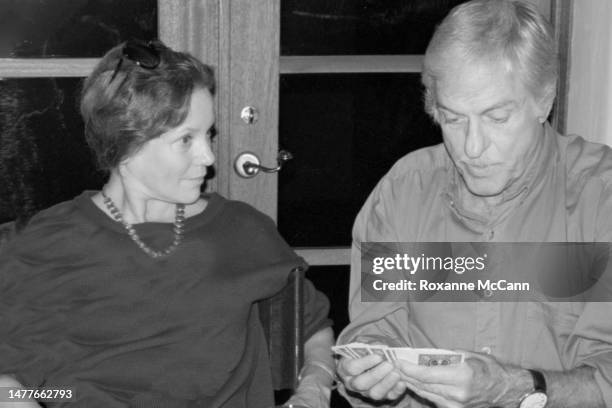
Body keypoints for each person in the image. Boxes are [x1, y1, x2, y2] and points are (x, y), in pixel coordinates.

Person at [0, 39, 335, 408]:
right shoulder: (43, 244)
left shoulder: (241, 230)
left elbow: (312, 329)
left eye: (208, 133)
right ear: (128, 142)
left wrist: (313, 392)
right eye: (185, 140)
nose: (208, 156)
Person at [335, 1, 612, 407]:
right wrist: (370, 372)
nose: (472, 147)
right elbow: (377, 329)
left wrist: (517, 388)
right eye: (453, 118)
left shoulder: (599, 198)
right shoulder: (404, 191)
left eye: (497, 118)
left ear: (544, 100)